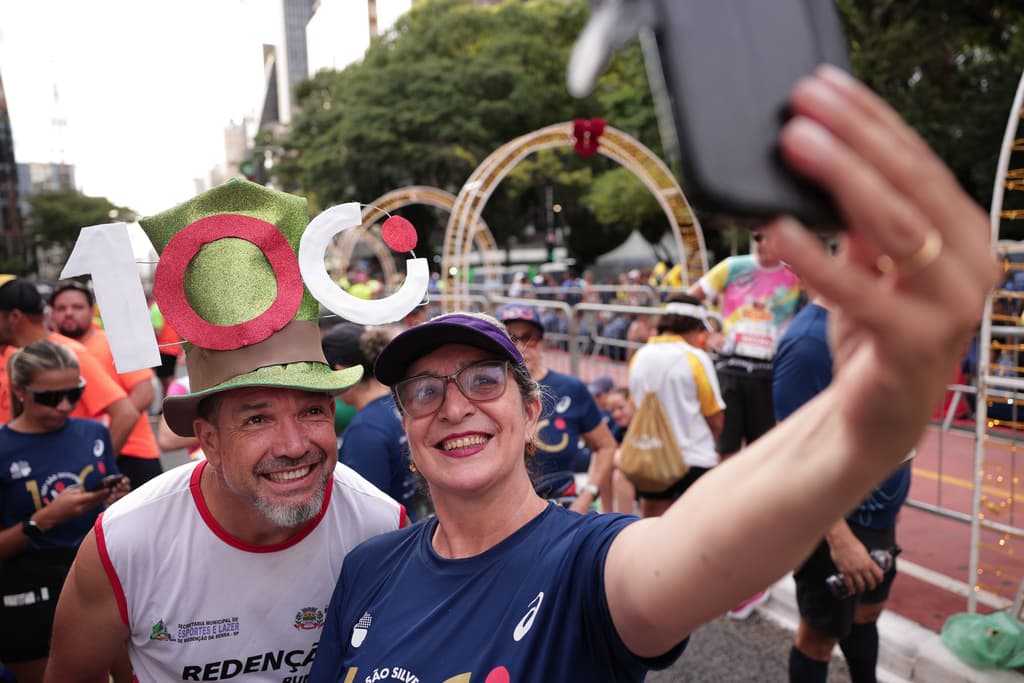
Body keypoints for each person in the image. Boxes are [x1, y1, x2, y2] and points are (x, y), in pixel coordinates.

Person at [306, 66, 999, 682]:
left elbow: (706, 541)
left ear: (531, 414)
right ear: (404, 426)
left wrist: (860, 425)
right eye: (425, 390)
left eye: (484, 380)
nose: (454, 406)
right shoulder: (369, 571)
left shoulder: (588, 566)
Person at [44, 179, 408, 682]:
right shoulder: (126, 542)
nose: (294, 445)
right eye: (256, 418)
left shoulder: (380, 525)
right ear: (207, 439)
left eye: (312, 411)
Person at [774, 294, 910, 683]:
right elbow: (796, 455)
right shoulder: (810, 344)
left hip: (877, 515)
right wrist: (838, 537)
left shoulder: (871, 326)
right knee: (818, 638)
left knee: (866, 615)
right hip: (837, 522)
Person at [0, 341, 129, 683]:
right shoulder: (4, 448)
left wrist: (116, 502)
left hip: (95, 574)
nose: (64, 406)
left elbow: (109, 512)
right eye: (49, 397)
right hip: (28, 587)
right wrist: (46, 519)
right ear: (19, 391)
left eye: (74, 393)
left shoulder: (93, 433)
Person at [496, 303, 615, 513]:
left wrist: (588, 495)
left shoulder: (571, 389)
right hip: (501, 514)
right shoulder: (483, 393)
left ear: (542, 343)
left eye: (529, 338)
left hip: (561, 513)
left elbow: (606, 446)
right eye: (509, 338)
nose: (521, 346)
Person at [0, 279, 139, 454]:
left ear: (14, 317)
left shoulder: (66, 355)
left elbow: (126, 413)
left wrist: (95, 466)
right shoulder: (12, 354)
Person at [49, 280, 164, 487]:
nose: (69, 313)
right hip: (74, 456)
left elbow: (144, 393)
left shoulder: (115, 343)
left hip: (131, 453)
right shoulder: (49, 351)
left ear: (91, 310)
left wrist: (108, 440)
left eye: (77, 307)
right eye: (61, 308)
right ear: (51, 313)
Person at [627, 298, 725, 518]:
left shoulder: (639, 357)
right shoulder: (696, 358)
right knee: (697, 528)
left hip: (652, 455)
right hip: (695, 458)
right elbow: (715, 417)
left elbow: (635, 407)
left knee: (653, 522)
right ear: (692, 327)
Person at [322, 322, 419, 520]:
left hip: (388, 540)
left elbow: (363, 514)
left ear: (341, 371)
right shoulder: (396, 404)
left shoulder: (365, 431)